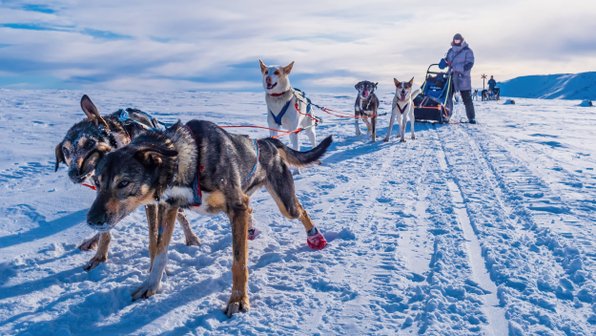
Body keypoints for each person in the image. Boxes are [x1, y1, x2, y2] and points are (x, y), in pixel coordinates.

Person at [439, 33, 476, 123]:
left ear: (462, 40)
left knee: (466, 98)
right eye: (455, 40)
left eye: (458, 40)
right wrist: (443, 63)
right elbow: (447, 60)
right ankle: (446, 115)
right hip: (451, 77)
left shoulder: (467, 51)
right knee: (448, 97)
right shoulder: (451, 51)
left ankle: (471, 117)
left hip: (463, 78)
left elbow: (469, 64)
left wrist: (457, 68)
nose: (456, 42)